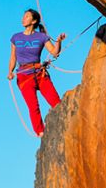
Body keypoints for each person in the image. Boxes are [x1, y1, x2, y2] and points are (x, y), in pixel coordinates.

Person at [8, 8, 65, 136]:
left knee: (55, 100)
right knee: (33, 106)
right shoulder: (16, 38)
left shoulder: (41, 37)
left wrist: (59, 42)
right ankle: (40, 132)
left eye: (27, 16)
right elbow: (13, 57)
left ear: (33, 21)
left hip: (40, 73)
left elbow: (55, 53)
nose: (23, 18)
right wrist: (10, 71)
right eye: (23, 16)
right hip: (24, 75)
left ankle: (64, 122)